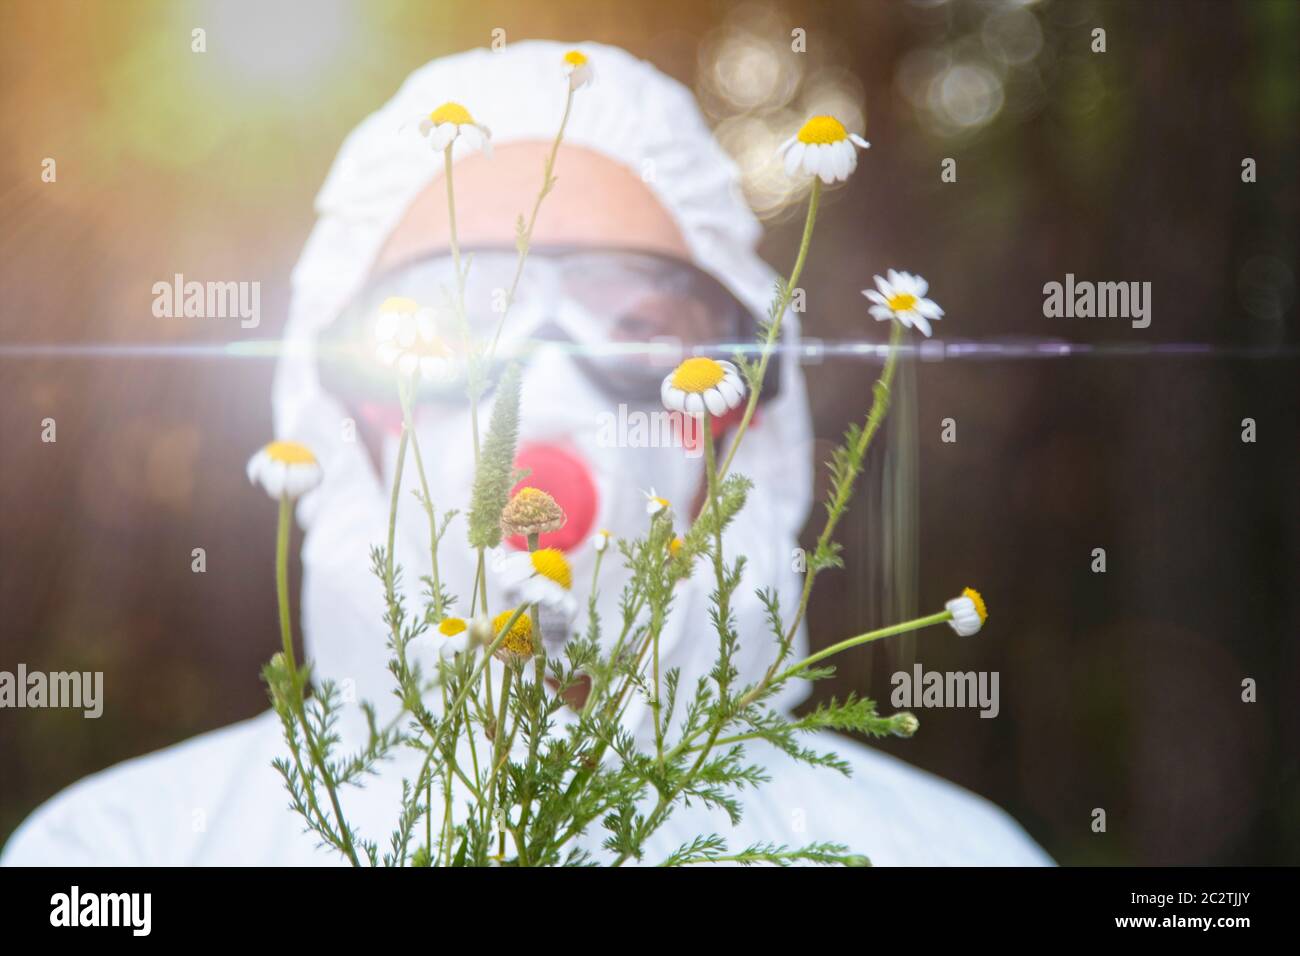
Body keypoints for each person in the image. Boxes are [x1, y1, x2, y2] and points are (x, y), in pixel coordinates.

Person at [2, 41, 1050, 866]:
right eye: (451, 326)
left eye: (638, 324)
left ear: (739, 425)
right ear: (341, 417)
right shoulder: (125, 854)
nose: (540, 382)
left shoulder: (950, 857)